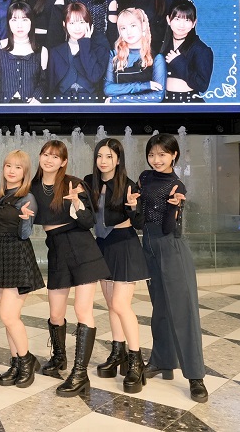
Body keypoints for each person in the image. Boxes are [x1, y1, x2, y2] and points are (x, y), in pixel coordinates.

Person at [30, 140, 110, 397]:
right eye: (45, 154)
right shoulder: (33, 187)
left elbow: (88, 222)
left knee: (82, 310)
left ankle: (80, 373)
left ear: (63, 162)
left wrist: (77, 202)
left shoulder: (73, 184)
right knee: (55, 313)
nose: (49, 159)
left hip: (82, 247)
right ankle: (59, 357)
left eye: (55, 156)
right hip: (56, 249)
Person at [139, 134, 208, 403]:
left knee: (183, 311)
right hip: (149, 246)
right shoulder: (144, 178)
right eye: (152, 154)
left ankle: (195, 376)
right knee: (160, 308)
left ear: (174, 155)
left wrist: (175, 207)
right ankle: (162, 360)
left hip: (171, 247)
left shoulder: (177, 186)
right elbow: (139, 219)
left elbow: (169, 227)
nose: (156, 160)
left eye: (162, 154)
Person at [84, 138, 148, 394]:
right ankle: (117, 351)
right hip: (102, 245)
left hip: (124, 245)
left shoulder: (129, 185)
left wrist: (133, 208)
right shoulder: (90, 181)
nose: (103, 161)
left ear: (118, 159)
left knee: (121, 304)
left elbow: (140, 223)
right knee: (111, 304)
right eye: (100, 155)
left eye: (109, 156)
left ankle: (136, 361)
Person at [0, 150, 44, 389]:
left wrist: (25, 219)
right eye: (8, 165)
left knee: (8, 316)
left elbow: (25, 234)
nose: (11, 170)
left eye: (18, 167)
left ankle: (27, 362)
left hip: (17, 255)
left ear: (25, 172)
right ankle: (16, 362)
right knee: (9, 318)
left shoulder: (27, 197)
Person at [48, 2, 110, 102]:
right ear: (64, 24)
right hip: (61, 103)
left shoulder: (100, 49)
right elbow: (50, 87)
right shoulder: (55, 52)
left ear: (89, 24)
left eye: (82, 22)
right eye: (72, 23)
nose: (77, 28)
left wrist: (85, 44)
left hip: (90, 103)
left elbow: (94, 77)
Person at [0, 1, 47, 103]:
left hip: (30, 107)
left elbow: (44, 82)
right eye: (14, 20)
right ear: (8, 22)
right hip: (2, 107)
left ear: (31, 22)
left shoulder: (41, 51)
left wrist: (38, 97)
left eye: (24, 20)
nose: (19, 25)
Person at [104, 8, 166, 103]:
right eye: (123, 28)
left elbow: (157, 96)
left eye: (133, 26)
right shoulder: (114, 55)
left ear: (143, 26)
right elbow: (108, 89)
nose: (128, 32)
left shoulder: (157, 58)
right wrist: (144, 86)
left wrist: (118, 99)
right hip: (119, 111)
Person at [161, 0, 214, 102]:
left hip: (188, 101)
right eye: (177, 19)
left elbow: (202, 85)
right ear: (168, 20)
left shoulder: (201, 49)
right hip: (165, 101)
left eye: (187, 20)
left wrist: (178, 62)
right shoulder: (163, 45)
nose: (182, 25)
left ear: (194, 23)